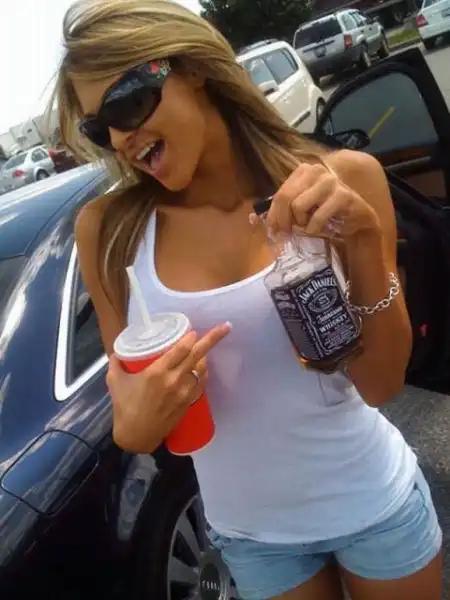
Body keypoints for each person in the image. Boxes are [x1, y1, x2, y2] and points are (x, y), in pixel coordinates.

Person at [51, 1, 443, 598]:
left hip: (372, 503)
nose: (122, 138)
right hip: (252, 537)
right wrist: (136, 426)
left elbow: (382, 384)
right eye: (98, 129)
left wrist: (363, 241)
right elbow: (132, 412)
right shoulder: (107, 231)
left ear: (191, 68)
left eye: (127, 103)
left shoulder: (343, 179)